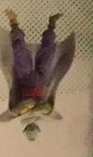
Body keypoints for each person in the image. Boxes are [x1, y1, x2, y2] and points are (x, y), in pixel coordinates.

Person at [5, 8, 63, 141]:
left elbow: (22, 106)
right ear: (36, 127)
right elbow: (47, 107)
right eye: (34, 128)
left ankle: (13, 22)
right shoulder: (43, 116)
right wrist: (39, 109)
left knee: (19, 49)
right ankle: (51, 24)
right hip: (41, 79)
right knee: (48, 52)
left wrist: (25, 109)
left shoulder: (18, 115)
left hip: (25, 77)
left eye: (30, 128)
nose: (32, 126)